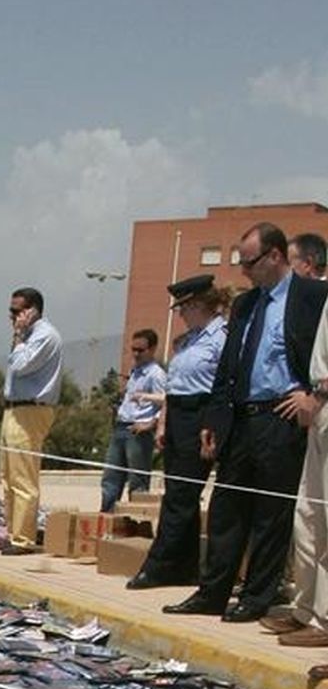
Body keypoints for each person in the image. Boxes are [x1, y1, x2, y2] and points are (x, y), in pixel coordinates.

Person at [164, 222, 328, 622]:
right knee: (226, 508)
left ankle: (257, 597)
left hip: (283, 417)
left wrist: (314, 396)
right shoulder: (245, 304)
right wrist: (214, 417)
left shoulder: (313, 295)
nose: (243, 271)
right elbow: (229, 366)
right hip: (241, 419)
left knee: (272, 515)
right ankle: (212, 592)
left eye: (249, 262)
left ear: (275, 256)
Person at [126, 277, 226, 589]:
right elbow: (174, 388)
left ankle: (159, 565)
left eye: (183, 308)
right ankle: (185, 565)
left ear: (197, 305)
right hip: (179, 415)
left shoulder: (222, 338)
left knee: (181, 496)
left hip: (202, 414)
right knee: (180, 494)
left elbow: (222, 386)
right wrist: (164, 423)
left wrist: (210, 424)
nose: (180, 314)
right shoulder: (187, 341)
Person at [260, 295, 328, 646]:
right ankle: (305, 609)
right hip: (319, 405)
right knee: (308, 516)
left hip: (322, 400)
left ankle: (325, 618)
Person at [0, 287, 62, 555]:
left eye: (17, 311)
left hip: (31, 410)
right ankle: (13, 531)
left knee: (23, 476)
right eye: (10, 311)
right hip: (14, 409)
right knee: (8, 476)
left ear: (33, 310)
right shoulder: (29, 336)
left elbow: (21, 365)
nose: (12, 317)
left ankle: (23, 538)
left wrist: (18, 335)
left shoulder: (44, 336)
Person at [100, 327, 166, 511]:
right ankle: (106, 517)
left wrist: (150, 424)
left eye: (140, 350)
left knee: (137, 481)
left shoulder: (156, 374)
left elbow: (165, 402)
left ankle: (137, 519)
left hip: (138, 431)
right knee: (111, 478)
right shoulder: (135, 371)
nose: (136, 354)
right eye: (133, 349)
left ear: (152, 349)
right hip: (121, 427)